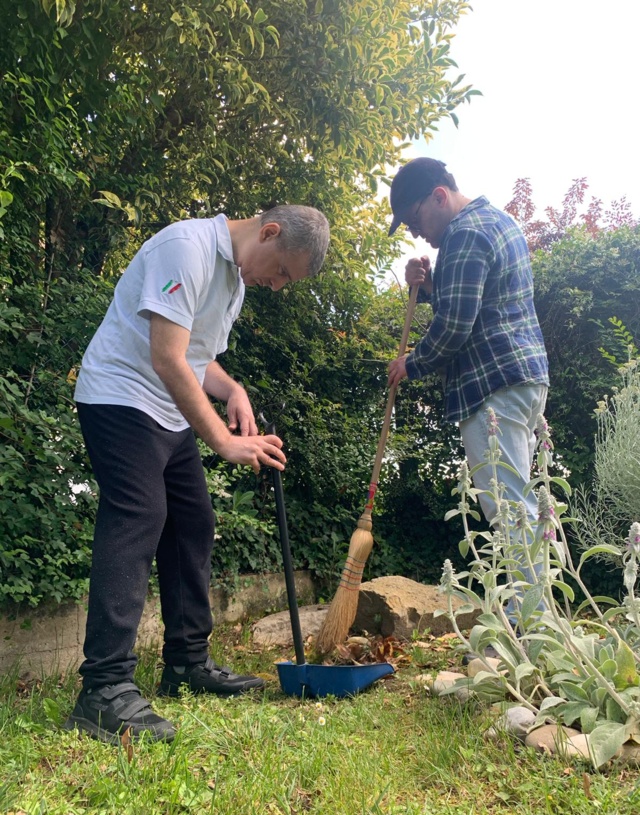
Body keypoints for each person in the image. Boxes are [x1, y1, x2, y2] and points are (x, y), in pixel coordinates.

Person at [64, 204, 330, 744]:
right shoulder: (185, 248)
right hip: (118, 395)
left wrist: (232, 390)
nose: (277, 285)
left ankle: (187, 662)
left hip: (164, 409)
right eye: (281, 271)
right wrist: (224, 441)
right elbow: (168, 357)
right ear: (269, 232)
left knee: (193, 522)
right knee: (141, 513)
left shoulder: (234, 282)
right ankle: (103, 689)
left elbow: (199, 360)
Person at [386, 157, 549, 612]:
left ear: (439, 196)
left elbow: (456, 325)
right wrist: (431, 287)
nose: (419, 234)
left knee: (508, 507)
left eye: (416, 220)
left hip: (492, 386)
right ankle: (533, 619)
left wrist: (410, 364)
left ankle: (531, 630)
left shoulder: (464, 233)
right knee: (514, 503)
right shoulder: (495, 222)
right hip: (521, 380)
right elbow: (475, 303)